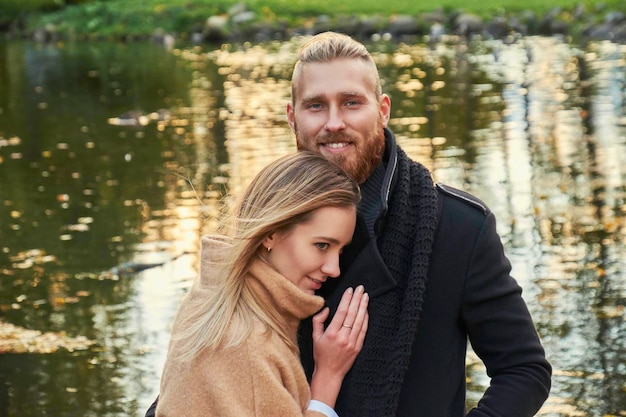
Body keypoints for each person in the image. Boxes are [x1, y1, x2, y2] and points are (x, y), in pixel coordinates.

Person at [287, 32, 552, 417]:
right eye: (315, 105)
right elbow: (203, 360)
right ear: (292, 116)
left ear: (383, 110)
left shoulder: (458, 227)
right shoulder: (258, 229)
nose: (334, 122)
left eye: (351, 103)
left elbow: (524, 371)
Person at [154, 151, 369, 417]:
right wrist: (328, 378)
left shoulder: (214, 293)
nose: (334, 269)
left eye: (340, 251)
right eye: (321, 245)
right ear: (270, 234)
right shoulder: (248, 348)